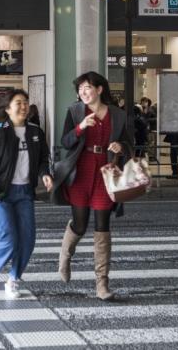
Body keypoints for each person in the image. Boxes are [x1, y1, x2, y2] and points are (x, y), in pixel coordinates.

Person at [51, 71, 131, 301]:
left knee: (102, 226)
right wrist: (80, 128)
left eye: (87, 87)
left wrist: (120, 147)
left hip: (106, 173)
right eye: (80, 89)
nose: (83, 92)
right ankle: (65, 256)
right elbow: (65, 142)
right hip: (81, 172)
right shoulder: (75, 112)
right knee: (80, 223)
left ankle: (102, 284)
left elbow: (130, 145)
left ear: (99, 89)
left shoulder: (118, 114)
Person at [0, 88, 53, 299]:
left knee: (27, 240)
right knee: (8, 237)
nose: (23, 106)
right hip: (1, 194)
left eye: (26, 102)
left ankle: (13, 279)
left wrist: (45, 173)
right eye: (18, 102)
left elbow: (43, 158)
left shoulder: (36, 132)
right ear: (8, 109)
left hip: (25, 194)